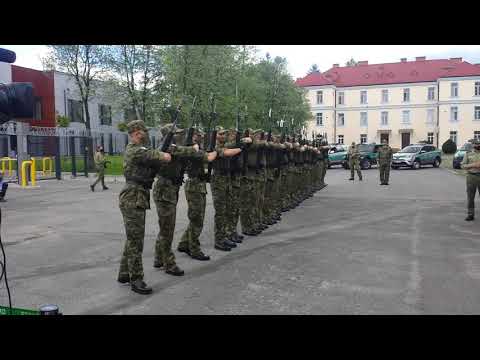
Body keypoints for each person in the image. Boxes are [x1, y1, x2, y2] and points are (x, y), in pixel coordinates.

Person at [117, 120, 172, 295]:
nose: (146, 134)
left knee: (132, 237)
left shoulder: (139, 150)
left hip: (137, 195)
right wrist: (164, 155)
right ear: (137, 132)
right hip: (133, 196)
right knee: (136, 241)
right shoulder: (135, 150)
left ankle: (124, 274)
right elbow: (160, 156)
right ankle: (136, 279)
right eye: (144, 131)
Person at [152, 124, 203, 276]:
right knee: (167, 228)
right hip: (164, 190)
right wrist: (193, 148)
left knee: (165, 227)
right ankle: (169, 263)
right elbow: (180, 151)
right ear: (169, 135)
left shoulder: (174, 145)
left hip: (170, 189)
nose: (180, 135)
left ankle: (159, 258)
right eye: (177, 133)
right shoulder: (166, 146)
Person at [177, 129, 217, 260]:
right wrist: (219, 150)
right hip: (195, 186)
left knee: (195, 217)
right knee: (197, 219)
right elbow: (209, 157)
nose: (200, 137)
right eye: (197, 135)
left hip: (197, 185)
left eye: (201, 135)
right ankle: (193, 248)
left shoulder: (195, 148)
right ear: (192, 137)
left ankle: (184, 242)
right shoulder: (192, 150)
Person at [211, 126, 247, 251]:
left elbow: (232, 146)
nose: (223, 136)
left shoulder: (225, 144)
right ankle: (219, 240)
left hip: (226, 179)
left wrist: (240, 143)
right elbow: (226, 153)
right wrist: (239, 148)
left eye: (225, 134)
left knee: (227, 209)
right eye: (221, 134)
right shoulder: (214, 146)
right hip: (218, 180)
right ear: (216, 135)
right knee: (220, 212)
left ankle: (226, 235)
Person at [461, 139, 480, 221]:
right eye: (475, 144)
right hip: (471, 177)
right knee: (470, 197)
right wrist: (474, 165)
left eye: (478, 144)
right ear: (473, 145)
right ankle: (470, 214)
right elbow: (462, 165)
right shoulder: (468, 154)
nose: (477, 145)